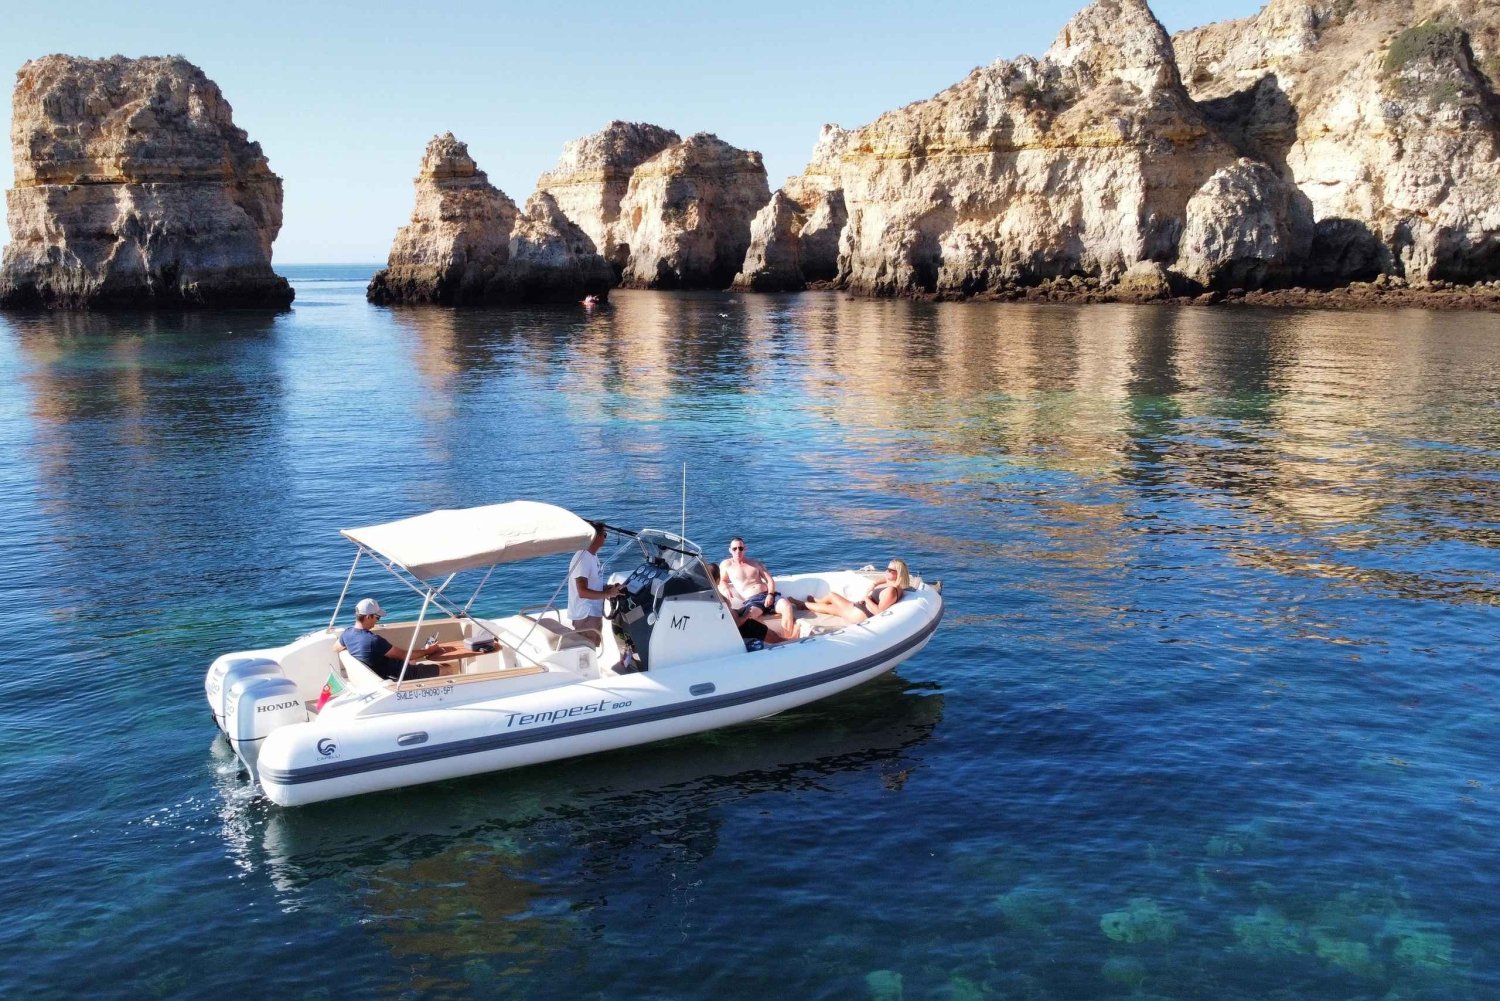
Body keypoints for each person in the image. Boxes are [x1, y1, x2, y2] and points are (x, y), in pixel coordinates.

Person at [333, 597, 471, 681]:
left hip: (387, 669)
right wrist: (428, 650)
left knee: (412, 660)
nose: (377, 621)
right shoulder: (373, 641)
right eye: (377, 617)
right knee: (448, 667)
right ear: (368, 617)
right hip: (400, 675)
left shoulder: (347, 634)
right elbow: (405, 654)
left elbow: (336, 648)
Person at [717, 536, 795, 636]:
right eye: (734, 548)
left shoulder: (755, 563)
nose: (738, 551)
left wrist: (770, 594)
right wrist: (725, 588)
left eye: (741, 548)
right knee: (747, 618)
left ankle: (788, 638)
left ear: (745, 549)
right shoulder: (726, 565)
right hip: (753, 601)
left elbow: (769, 580)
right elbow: (722, 580)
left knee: (787, 606)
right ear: (730, 550)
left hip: (768, 595)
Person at [802, 560, 911, 628]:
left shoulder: (891, 591)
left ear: (899, 574)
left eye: (890, 570)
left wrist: (866, 598)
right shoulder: (891, 583)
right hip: (861, 607)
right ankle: (816, 600)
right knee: (832, 595)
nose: (886, 571)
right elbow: (884, 580)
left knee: (830, 608)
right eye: (887, 569)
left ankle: (802, 605)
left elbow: (879, 612)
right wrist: (874, 584)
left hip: (861, 614)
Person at [706, 563, 794, 645]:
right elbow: (735, 624)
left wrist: (739, 612)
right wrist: (746, 616)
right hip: (742, 626)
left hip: (740, 619)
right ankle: (791, 643)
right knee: (776, 639)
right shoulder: (717, 598)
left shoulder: (710, 593)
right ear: (717, 580)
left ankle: (787, 637)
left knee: (772, 632)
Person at [569, 522, 623, 646]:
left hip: (593, 613)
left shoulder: (592, 556)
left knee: (592, 648)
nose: (605, 537)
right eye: (604, 534)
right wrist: (607, 593)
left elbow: (592, 585)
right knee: (588, 649)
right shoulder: (583, 558)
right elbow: (582, 592)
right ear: (595, 536)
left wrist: (608, 588)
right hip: (586, 615)